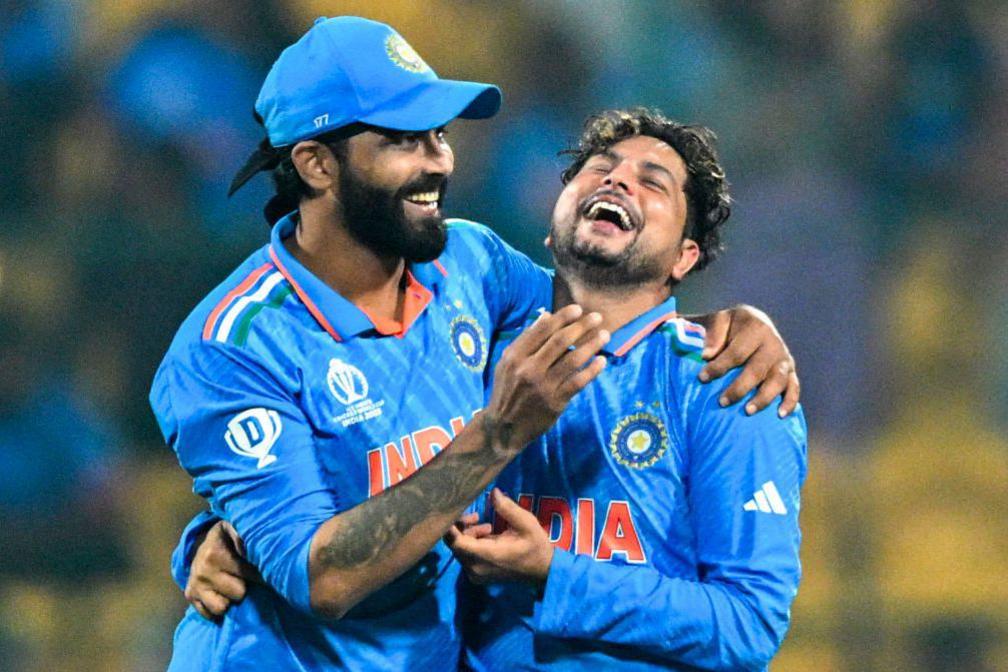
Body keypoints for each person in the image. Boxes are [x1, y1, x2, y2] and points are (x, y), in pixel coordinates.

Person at [157, 16, 799, 671]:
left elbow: (603, 301)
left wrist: (745, 323)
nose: (440, 160)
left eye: (439, 134)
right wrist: (497, 435)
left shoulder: (470, 265)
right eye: (405, 140)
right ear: (317, 164)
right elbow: (321, 578)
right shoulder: (231, 347)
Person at [444, 109, 806, 671]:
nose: (617, 180)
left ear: (686, 257)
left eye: (653, 181)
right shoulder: (471, 354)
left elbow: (748, 625)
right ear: (553, 222)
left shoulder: (728, 381)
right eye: (600, 169)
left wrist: (556, 575)